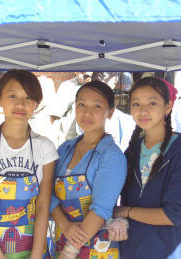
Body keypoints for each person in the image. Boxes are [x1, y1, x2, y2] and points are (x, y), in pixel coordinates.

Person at [0, 70, 58, 259]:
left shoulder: (45, 148)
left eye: (28, 97)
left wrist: (36, 254)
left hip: (29, 245)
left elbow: (42, 205)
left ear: (36, 105)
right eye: (12, 96)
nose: (20, 104)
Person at [112, 77, 181, 258]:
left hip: (169, 250)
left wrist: (126, 211)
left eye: (152, 103)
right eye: (136, 104)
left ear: (168, 107)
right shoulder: (134, 148)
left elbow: (172, 215)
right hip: (133, 249)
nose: (143, 110)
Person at [50, 80, 127, 258]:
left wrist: (69, 253)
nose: (87, 112)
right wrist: (66, 226)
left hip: (96, 248)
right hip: (63, 237)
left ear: (110, 112)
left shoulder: (111, 156)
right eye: (82, 105)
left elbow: (100, 210)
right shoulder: (64, 149)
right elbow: (49, 195)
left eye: (97, 106)